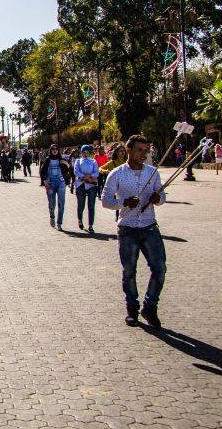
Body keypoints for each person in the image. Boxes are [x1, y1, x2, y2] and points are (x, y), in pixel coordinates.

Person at [101, 134, 167, 328]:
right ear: (128, 150)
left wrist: (158, 199)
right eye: (139, 150)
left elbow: (162, 195)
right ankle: (132, 309)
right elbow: (106, 201)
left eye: (146, 151)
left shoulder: (152, 173)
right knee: (129, 271)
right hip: (127, 229)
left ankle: (150, 306)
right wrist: (124, 203)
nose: (143, 154)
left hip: (149, 226)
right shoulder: (117, 174)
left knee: (160, 268)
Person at [39, 144, 72, 230]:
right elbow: (42, 172)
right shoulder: (47, 160)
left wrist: (67, 164)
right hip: (50, 184)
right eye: (53, 149)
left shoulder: (62, 160)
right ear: (50, 150)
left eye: (56, 149)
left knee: (61, 204)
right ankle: (52, 216)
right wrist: (45, 182)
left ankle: (59, 223)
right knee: (52, 204)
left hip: (61, 183)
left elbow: (70, 171)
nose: (55, 150)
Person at [74, 144, 99, 233]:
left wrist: (90, 176)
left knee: (91, 206)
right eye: (84, 152)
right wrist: (84, 176)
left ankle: (91, 225)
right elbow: (76, 171)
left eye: (87, 152)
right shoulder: (78, 160)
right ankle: (80, 220)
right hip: (80, 185)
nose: (85, 154)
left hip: (91, 185)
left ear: (89, 153)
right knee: (81, 205)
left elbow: (97, 172)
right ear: (81, 152)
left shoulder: (93, 161)